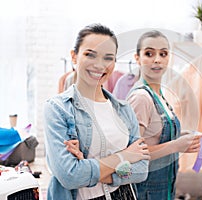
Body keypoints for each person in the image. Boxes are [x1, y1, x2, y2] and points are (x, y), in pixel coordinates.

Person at [43, 23, 150, 200]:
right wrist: (126, 156)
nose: (99, 65)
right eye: (90, 55)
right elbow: (70, 176)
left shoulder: (124, 110)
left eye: (108, 58)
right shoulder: (57, 109)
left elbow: (141, 170)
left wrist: (88, 167)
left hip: (125, 195)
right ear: (74, 57)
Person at [126, 30, 202, 200]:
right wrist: (176, 145)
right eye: (149, 53)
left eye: (163, 54)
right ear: (137, 58)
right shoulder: (141, 98)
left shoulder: (160, 95)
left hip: (165, 187)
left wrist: (183, 137)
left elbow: (154, 135)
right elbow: (133, 154)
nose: (157, 59)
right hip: (146, 191)